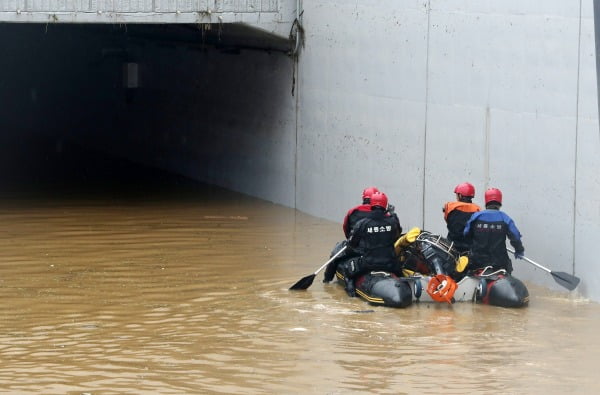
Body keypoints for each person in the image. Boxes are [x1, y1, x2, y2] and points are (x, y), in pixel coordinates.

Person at [342, 192, 403, 296]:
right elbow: (398, 235)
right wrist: (393, 214)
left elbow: (352, 243)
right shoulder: (392, 221)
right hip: (391, 264)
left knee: (347, 269)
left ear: (371, 205)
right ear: (385, 205)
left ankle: (351, 295)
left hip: (368, 264)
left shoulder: (362, 223)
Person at [463, 187, 524, 274]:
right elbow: (515, 236)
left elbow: (466, 234)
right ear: (500, 202)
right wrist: (519, 250)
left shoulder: (476, 217)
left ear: (486, 201)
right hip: (499, 263)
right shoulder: (505, 218)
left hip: (477, 262)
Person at [442, 182, 481, 253]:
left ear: (460, 195)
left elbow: (447, 220)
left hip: (451, 246)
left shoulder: (449, 207)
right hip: (470, 249)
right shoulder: (478, 210)